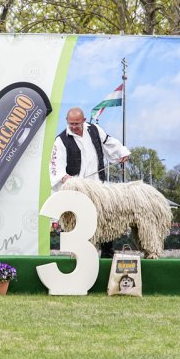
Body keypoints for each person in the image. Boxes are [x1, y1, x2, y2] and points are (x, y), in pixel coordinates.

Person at [49, 107, 130, 258]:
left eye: (77, 123)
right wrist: (65, 178)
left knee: (105, 219)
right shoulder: (60, 141)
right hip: (79, 192)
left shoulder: (95, 130)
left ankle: (107, 253)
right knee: (81, 222)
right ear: (66, 121)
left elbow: (108, 142)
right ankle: (82, 254)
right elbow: (55, 167)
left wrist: (121, 152)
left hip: (99, 188)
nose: (73, 127)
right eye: (71, 123)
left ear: (84, 120)